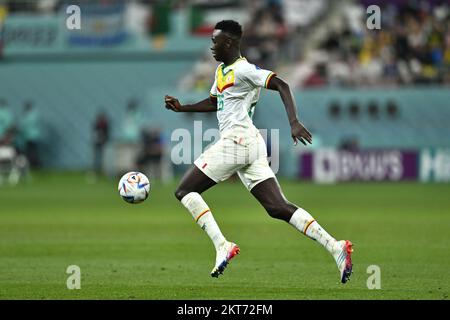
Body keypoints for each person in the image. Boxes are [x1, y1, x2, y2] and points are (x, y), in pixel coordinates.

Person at [164, 20, 353, 283]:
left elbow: (282, 85)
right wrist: (182, 107)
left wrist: (294, 122)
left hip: (237, 141)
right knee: (277, 207)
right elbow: (214, 102)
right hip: (250, 144)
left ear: (228, 42)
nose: (211, 46)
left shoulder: (244, 70)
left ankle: (222, 245)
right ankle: (335, 246)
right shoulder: (222, 71)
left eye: (214, 40)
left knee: (184, 190)